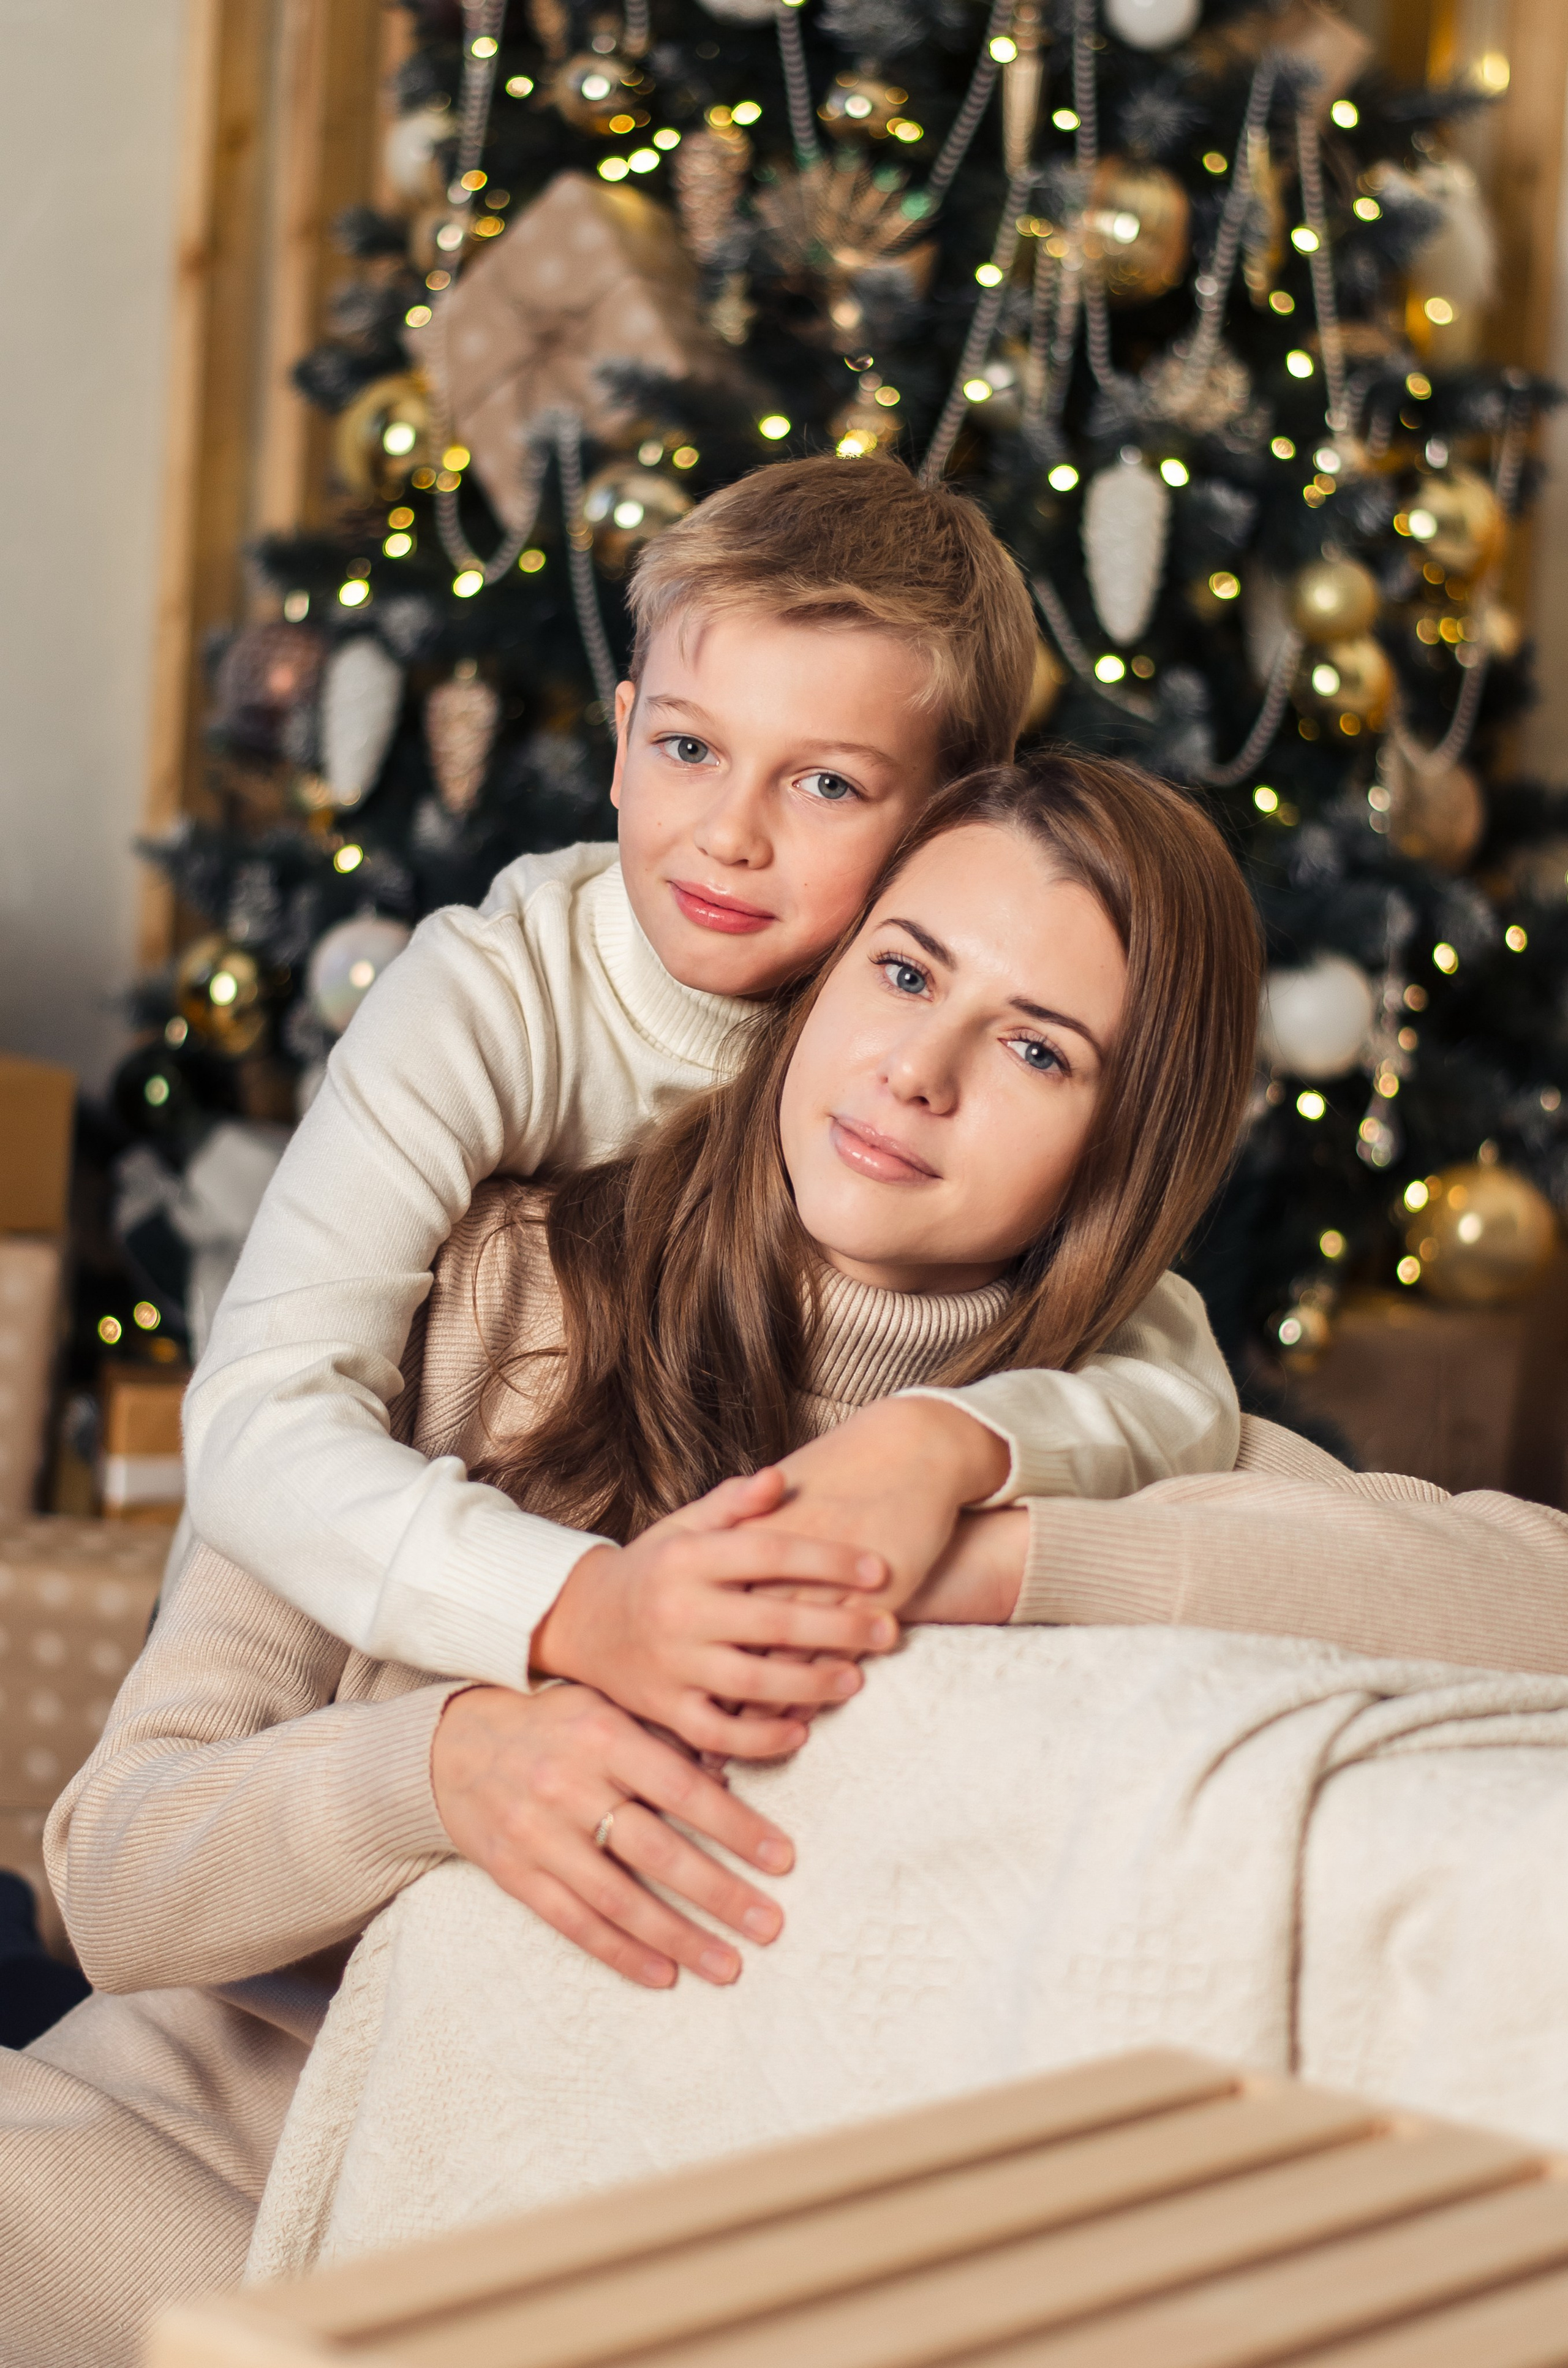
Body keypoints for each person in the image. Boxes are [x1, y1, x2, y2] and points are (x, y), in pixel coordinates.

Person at [6, 753, 1257, 2366]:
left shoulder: (1117, 1446)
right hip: (147, 2197)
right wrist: (441, 1767)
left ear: (1123, 1147)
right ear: (817, 982)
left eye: (1035, 1047)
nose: (918, 1070)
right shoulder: (490, 1287)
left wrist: (960, 1482)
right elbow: (111, 1869)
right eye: (902, 970)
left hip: (578, 2285)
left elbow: (1520, 1593)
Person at [178, 457, 1243, 1703]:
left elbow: (1170, 1377)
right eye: (688, 746)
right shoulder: (488, 994)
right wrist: (575, 1609)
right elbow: (265, 1408)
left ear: (951, 823)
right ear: (621, 741)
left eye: (826, 783)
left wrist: (949, 1446)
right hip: (333, 1610)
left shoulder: (899, 1018)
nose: (729, 836)